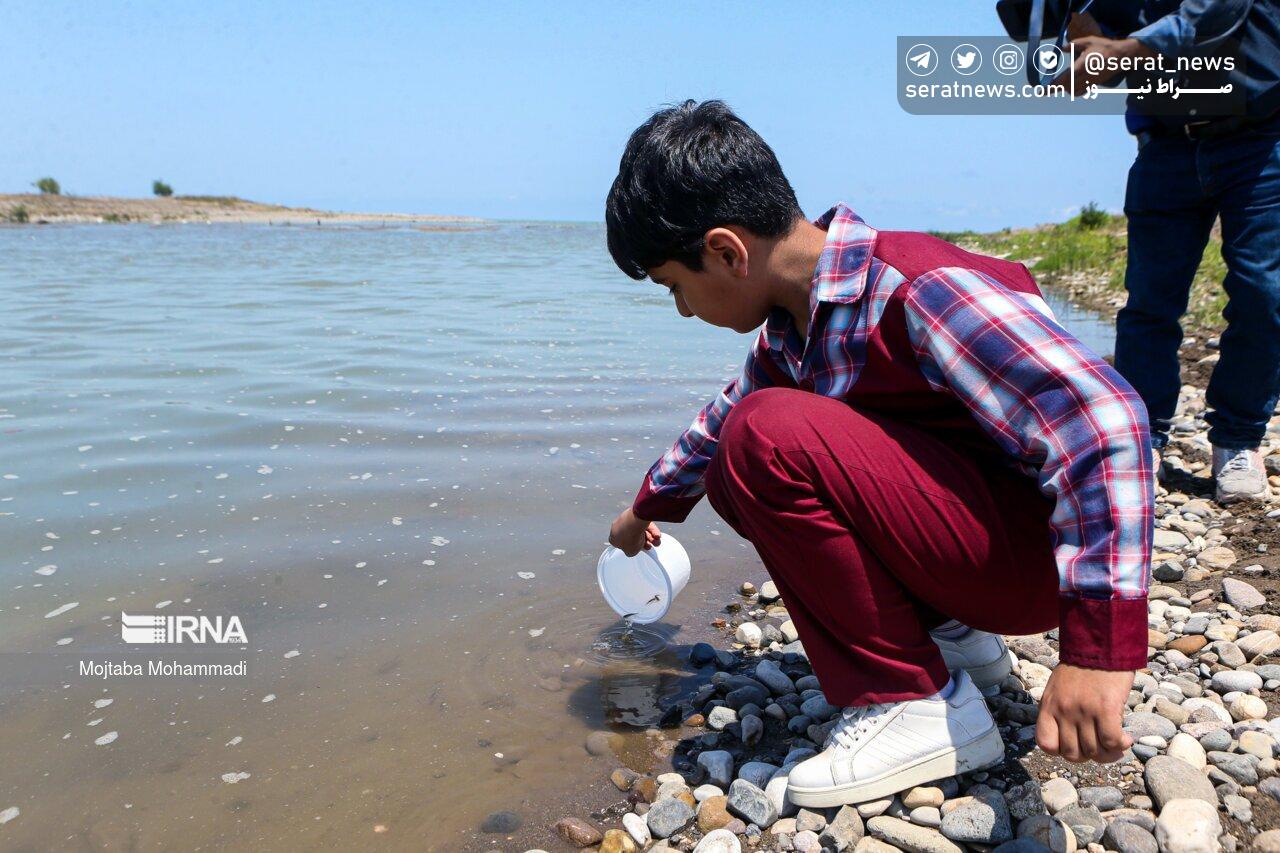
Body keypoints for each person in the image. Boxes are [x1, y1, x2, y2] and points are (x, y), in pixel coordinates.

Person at [604, 100, 1153, 807]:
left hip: (1036, 564)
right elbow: (716, 425)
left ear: (727, 252)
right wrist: (645, 508)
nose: (683, 309)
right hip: (980, 551)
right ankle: (951, 639)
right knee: (738, 454)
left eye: (676, 288)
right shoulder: (797, 326)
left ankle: (910, 699)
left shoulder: (917, 287)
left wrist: (1097, 650)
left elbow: (1103, 420)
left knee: (762, 437)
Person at [1059, 0, 1280, 504]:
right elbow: (1097, 43)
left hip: (1260, 138)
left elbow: (1211, 15)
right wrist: (1078, 40)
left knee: (1264, 296)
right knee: (1149, 303)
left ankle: (1238, 441)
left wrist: (1120, 49)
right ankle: (1142, 440)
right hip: (1164, 144)